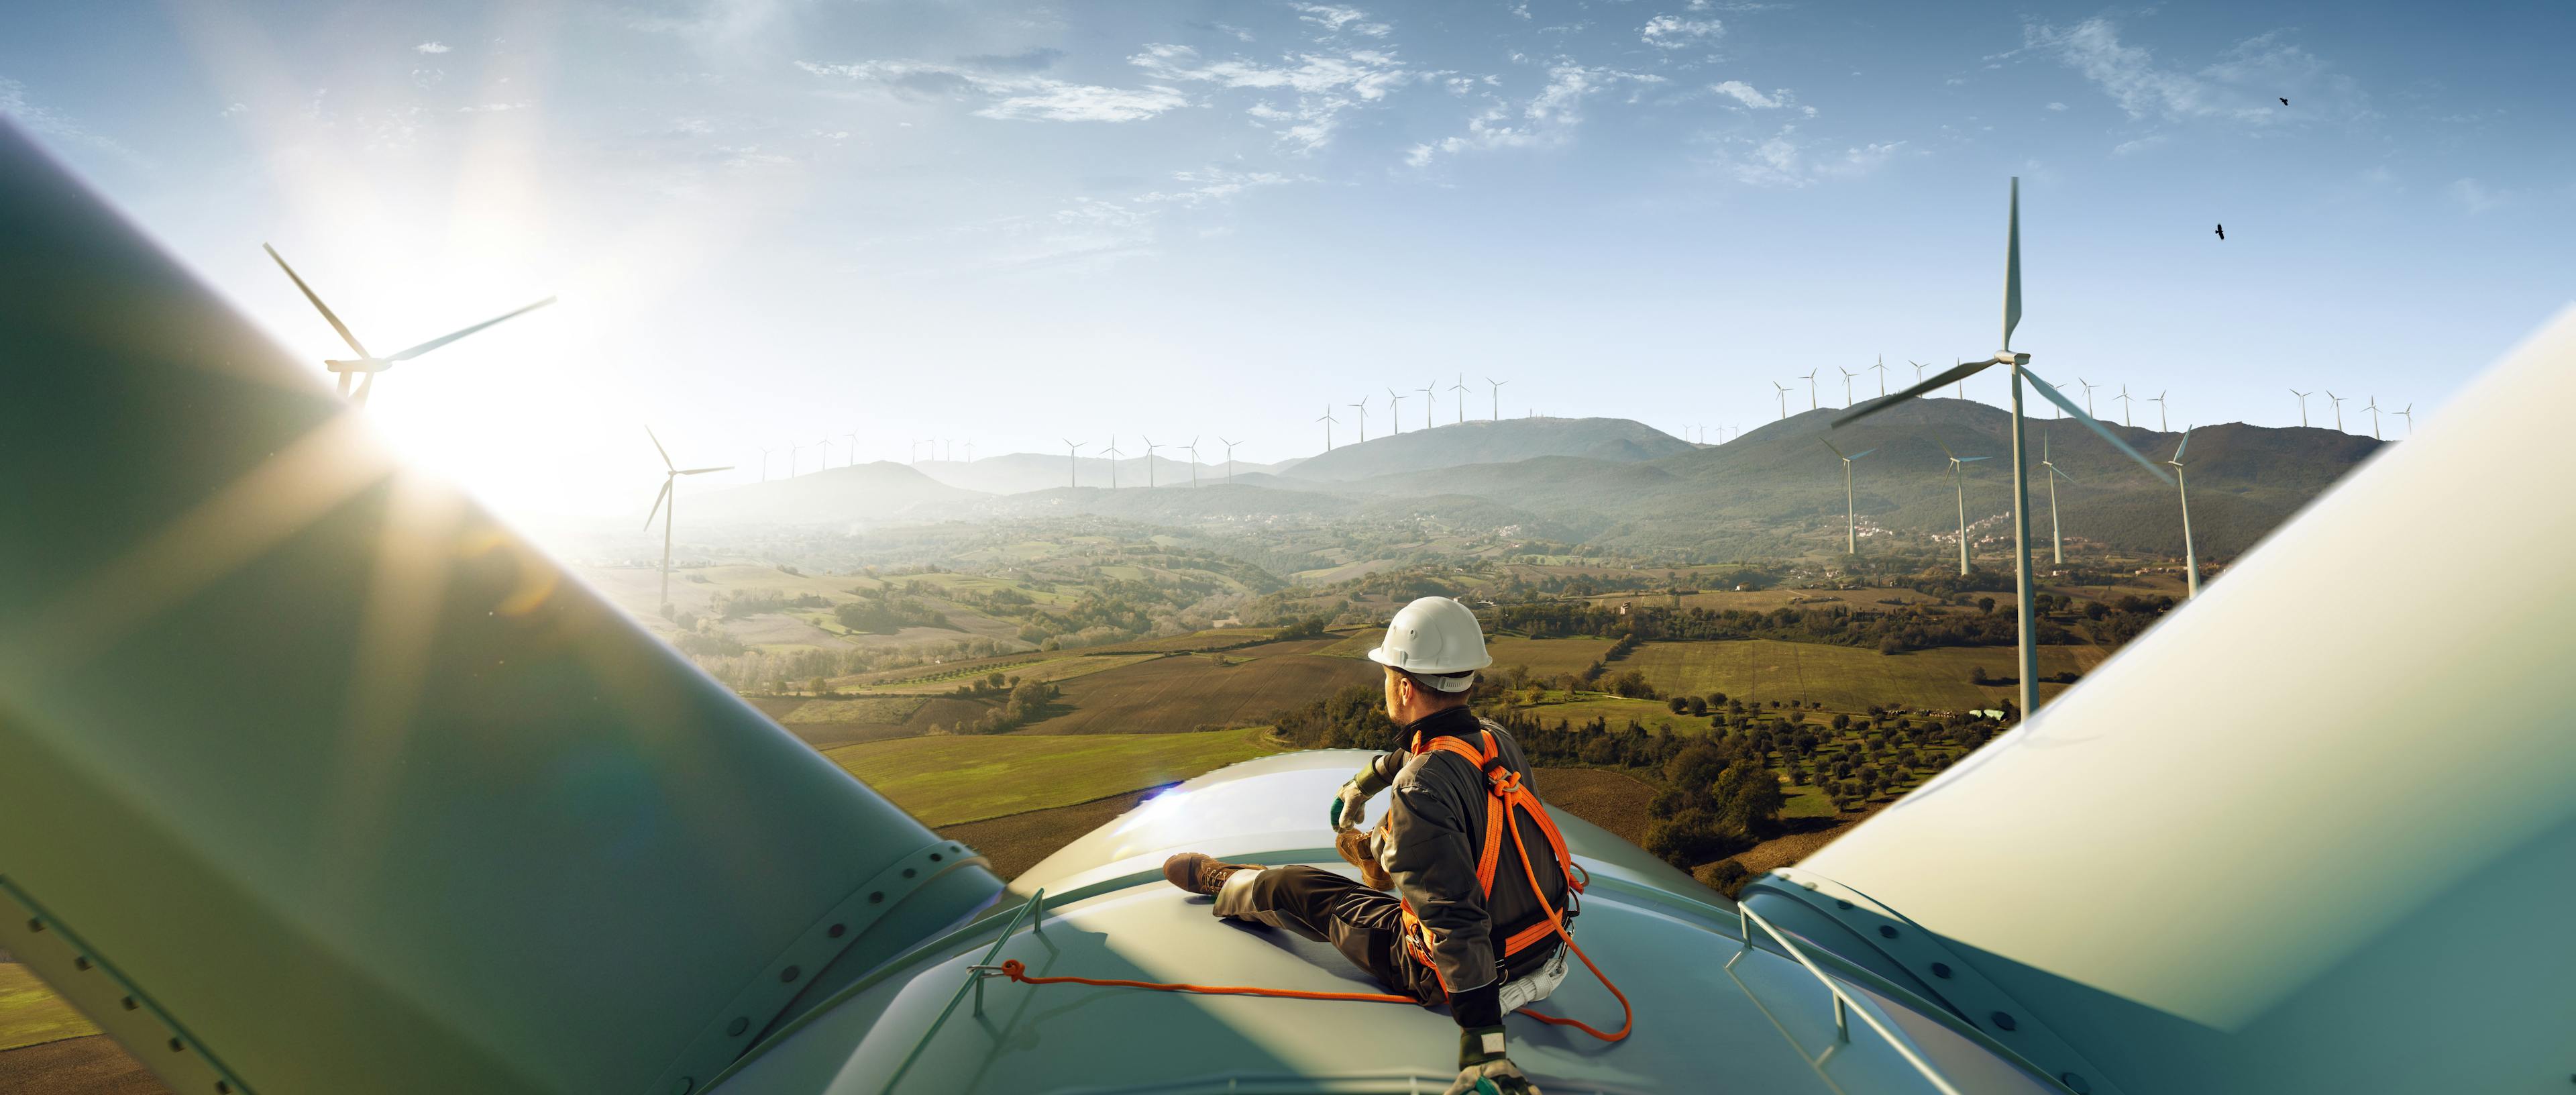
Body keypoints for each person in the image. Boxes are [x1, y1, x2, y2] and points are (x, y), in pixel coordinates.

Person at [1162, 596, 1572, 1095]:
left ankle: (1232, 883)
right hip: (1545, 941)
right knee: (1410, 826)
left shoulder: (1420, 787)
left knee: (1298, 887)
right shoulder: (1495, 740)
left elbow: (1455, 921)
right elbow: (1416, 751)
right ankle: (1378, 854)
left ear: (1403, 685)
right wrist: (1359, 786)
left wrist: (1484, 1048)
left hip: (1456, 970)